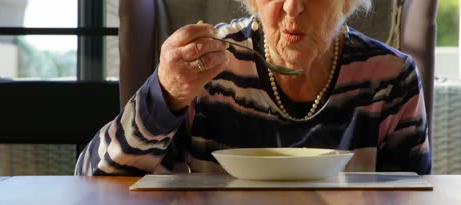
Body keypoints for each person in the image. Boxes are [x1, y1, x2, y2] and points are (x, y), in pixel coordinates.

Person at [75, 0, 431, 176]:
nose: (293, 7)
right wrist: (164, 95)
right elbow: (93, 179)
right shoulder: (209, 69)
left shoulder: (391, 79)